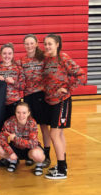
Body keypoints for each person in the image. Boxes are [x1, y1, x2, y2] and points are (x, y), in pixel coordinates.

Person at [43, 34, 86, 179]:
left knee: (54, 134)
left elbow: (81, 75)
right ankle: (62, 164)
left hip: (62, 101)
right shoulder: (47, 59)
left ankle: (61, 171)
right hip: (50, 102)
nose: (47, 46)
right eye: (46, 44)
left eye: (50, 44)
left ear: (57, 44)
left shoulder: (64, 58)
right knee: (59, 134)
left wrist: (67, 89)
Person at [20, 34, 51, 167]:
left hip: (40, 95)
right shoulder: (22, 60)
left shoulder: (43, 57)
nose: (29, 46)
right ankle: (31, 153)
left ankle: (47, 155)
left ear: (37, 43)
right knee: (30, 127)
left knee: (43, 126)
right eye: (26, 44)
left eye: (31, 43)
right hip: (28, 97)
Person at [0, 102, 45, 176]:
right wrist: (10, 152)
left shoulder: (32, 123)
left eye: (24, 113)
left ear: (28, 113)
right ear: (15, 112)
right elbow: (1, 139)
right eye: (18, 112)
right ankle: (13, 161)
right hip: (15, 148)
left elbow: (33, 144)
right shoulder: (9, 122)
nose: (21, 115)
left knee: (38, 155)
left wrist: (15, 138)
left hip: (29, 149)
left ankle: (39, 164)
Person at [0, 43, 25, 120]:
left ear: (13, 54)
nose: (7, 56)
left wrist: (13, 82)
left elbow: (23, 86)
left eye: (9, 53)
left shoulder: (18, 68)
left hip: (15, 103)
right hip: (0, 103)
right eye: (4, 53)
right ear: (0, 54)